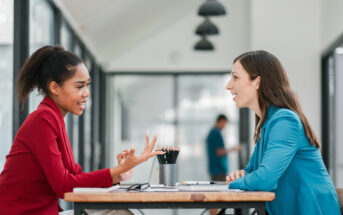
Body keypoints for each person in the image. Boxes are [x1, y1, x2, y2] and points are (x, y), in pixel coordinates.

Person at [0, 45, 163, 215]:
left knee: (122, 211)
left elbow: (76, 177)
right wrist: (118, 171)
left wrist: (118, 176)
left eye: (87, 86)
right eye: (79, 87)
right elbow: (63, 186)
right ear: (54, 87)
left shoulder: (54, 119)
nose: (86, 93)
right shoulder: (42, 119)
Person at [225, 50, 341, 215]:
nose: (228, 86)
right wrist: (243, 175)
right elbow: (252, 170)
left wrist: (232, 184)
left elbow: (264, 179)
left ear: (257, 82)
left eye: (235, 78)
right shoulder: (267, 124)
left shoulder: (285, 121)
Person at [206, 114, 241, 182]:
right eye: (225, 123)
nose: (225, 126)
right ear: (221, 121)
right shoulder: (216, 133)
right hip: (219, 169)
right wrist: (233, 149)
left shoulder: (211, 132)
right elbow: (219, 152)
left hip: (214, 169)